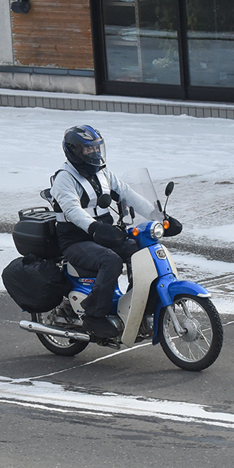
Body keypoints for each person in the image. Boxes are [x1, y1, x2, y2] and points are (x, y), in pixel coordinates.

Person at [49, 125, 182, 338]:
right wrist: (95, 227)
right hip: (76, 241)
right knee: (110, 260)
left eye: (97, 148)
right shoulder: (64, 178)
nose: (94, 153)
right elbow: (72, 210)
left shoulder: (102, 173)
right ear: (74, 151)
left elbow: (128, 194)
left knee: (140, 251)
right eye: (88, 149)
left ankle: (139, 307)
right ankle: (94, 315)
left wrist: (159, 217)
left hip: (103, 234)